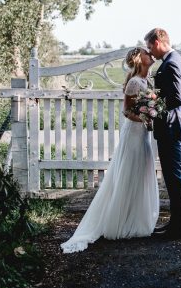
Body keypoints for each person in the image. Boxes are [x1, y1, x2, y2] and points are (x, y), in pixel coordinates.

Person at [60, 47, 159, 254]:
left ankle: (135, 218)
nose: (151, 55)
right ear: (139, 59)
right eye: (146, 53)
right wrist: (145, 118)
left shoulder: (147, 80)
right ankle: (122, 221)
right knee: (130, 172)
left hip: (143, 132)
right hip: (134, 133)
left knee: (141, 173)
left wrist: (151, 115)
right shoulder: (134, 82)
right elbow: (127, 111)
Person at [144, 28, 181, 240]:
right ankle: (175, 223)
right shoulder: (173, 60)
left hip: (170, 127)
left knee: (174, 178)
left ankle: (179, 228)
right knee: (172, 177)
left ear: (157, 42)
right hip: (171, 126)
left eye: (150, 46)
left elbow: (177, 97)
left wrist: (153, 107)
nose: (149, 52)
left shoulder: (171, 63)